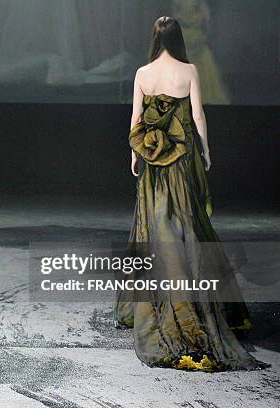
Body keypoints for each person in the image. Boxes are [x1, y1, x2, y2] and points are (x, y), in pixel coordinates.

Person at [114, 17, 269, 371]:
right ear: (178, 38)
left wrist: (135, 154)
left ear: (154, 38)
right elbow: (198, 115)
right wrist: (206, 152)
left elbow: (136, 119)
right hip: (182, 161)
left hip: (154, 163)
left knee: (155, 229)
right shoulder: (189, 70)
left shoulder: (142, 72)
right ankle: (195, 302)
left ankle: (159, 302)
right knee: (188, 228)